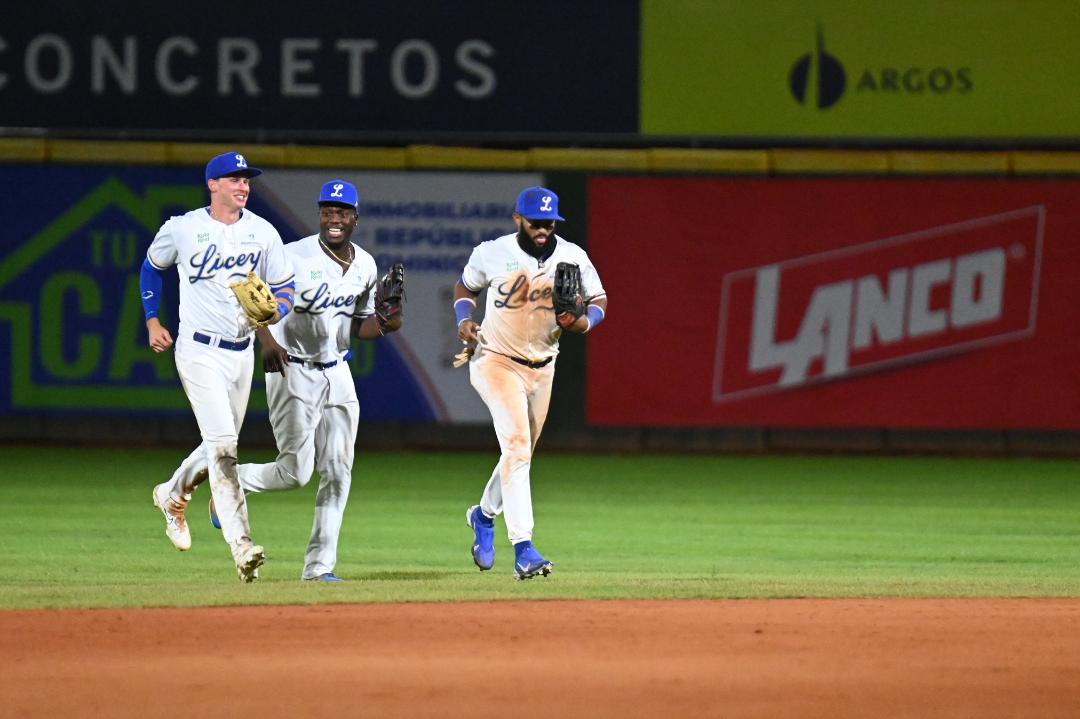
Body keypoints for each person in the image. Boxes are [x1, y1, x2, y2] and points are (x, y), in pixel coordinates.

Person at [162, 180, 403, 582]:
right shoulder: (295, 256)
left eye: (342, 212)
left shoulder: (366, 265)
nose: (334, 218)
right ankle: (229, 487)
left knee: (340, 471)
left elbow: (355, 327)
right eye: (327, 211)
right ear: (320, 215)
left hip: (337, 371)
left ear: (355, 219)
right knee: (296, 472)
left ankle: (319, 567)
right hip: (294, 371)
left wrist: (384, 325)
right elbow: (250, 293)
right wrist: (267, 340)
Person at [142, 151, 295, 583]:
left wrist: (275, 310)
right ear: (212, 184)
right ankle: (242, 547)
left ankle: (172, 493)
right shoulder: (184, 228)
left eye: (246, 180)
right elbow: (152, 268)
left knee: (217, 446)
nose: (243, 186)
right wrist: (153, 320)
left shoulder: (262, 233)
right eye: (234, 179)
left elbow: (284, 286)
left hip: (241, 352)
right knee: (225, 445)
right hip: (198, 351)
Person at [454, 186, 608, 580]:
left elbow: (599, 300)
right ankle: (524, 549)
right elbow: (466, 287)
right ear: (518, 219)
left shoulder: (573, 256)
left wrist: (586, 321)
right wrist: (464, 320)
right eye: (536, 222)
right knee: (518, 447)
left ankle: (484, 515)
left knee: (519, 454)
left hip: (543, 365)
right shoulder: (493, 251)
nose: (543, 229)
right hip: (494, 359)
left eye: (549, 222)